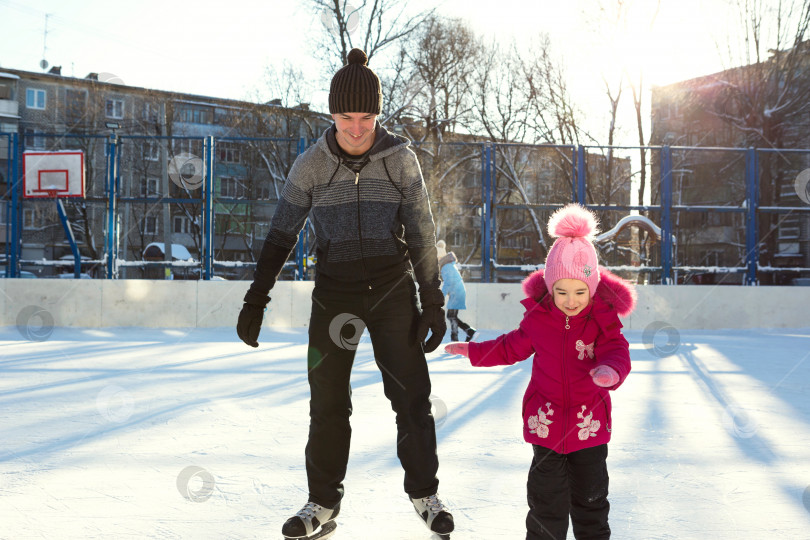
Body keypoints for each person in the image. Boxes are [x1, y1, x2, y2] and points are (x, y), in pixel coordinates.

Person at [236, 48, 453, 540]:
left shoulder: (400, 159)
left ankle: (425, 494)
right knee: (328, 400)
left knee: (411, 396)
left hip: (393, 292)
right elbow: (280, 234)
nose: (357, 128)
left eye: (367, 117)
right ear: (331, 115)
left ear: (379, 114)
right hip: (336, 295)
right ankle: (322, 504)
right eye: (346, 117)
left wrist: (433, 300)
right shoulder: (311, 164)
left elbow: (421, 232)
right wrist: (256, 298)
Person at [445, 204, 636, 540]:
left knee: (591, 500)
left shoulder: (600, 318)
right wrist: (474, 350)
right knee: (545, 501)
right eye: (561, 291)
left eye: (579, 292)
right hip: (545, 425)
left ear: (591, 288)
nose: (571, 300)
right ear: (549, 287)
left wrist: (609, 370)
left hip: (588, 425)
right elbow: (510, 346)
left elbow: (617, 349)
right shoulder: (539, 318)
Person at [436, 240, 476, 342]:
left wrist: (441, 296)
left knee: (451, 316)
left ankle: (456, 338)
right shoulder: (448, 265)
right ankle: (467, 331)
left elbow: (448, 283)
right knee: (452, 316)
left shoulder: (446, 267)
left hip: (456, 293)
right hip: (457, 292)